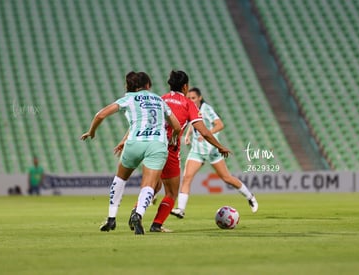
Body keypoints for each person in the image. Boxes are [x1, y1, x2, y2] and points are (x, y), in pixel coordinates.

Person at [115, 70, 231, 232]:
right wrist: (220, 146)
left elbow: (140, 122)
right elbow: (204, 131)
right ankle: (157, 224)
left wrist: (123, 140)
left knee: (152, 186)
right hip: (168, 149)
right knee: (171, 192)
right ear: (185, 86)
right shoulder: (187, 103)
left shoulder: (159, 98)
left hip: (150, 145)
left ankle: (137, 212)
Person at [81, 71, 181, 235]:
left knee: (120, 178)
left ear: (129, 86)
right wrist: (174, 139)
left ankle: (111, 218)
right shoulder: (159, 100)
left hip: (135, 142)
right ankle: (138, 213)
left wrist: (92, 132)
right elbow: (176, 127)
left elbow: (100, 115)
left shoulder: (128, 98)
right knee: (149, 184)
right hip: (157, 144)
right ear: (148, 85)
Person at [171, 87, 258, 219]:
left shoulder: (207, 109)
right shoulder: (190, 108)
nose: (191, 100)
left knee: (227, 178)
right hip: (197, 150)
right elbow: (192, 123)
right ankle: (181, 209)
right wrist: (188, 135)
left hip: (212, 149)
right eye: (189, 98)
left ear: (200, 98)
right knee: (187, 177)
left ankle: (250, 197)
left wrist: (207, 134)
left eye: (193, 98)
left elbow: (220, 124)